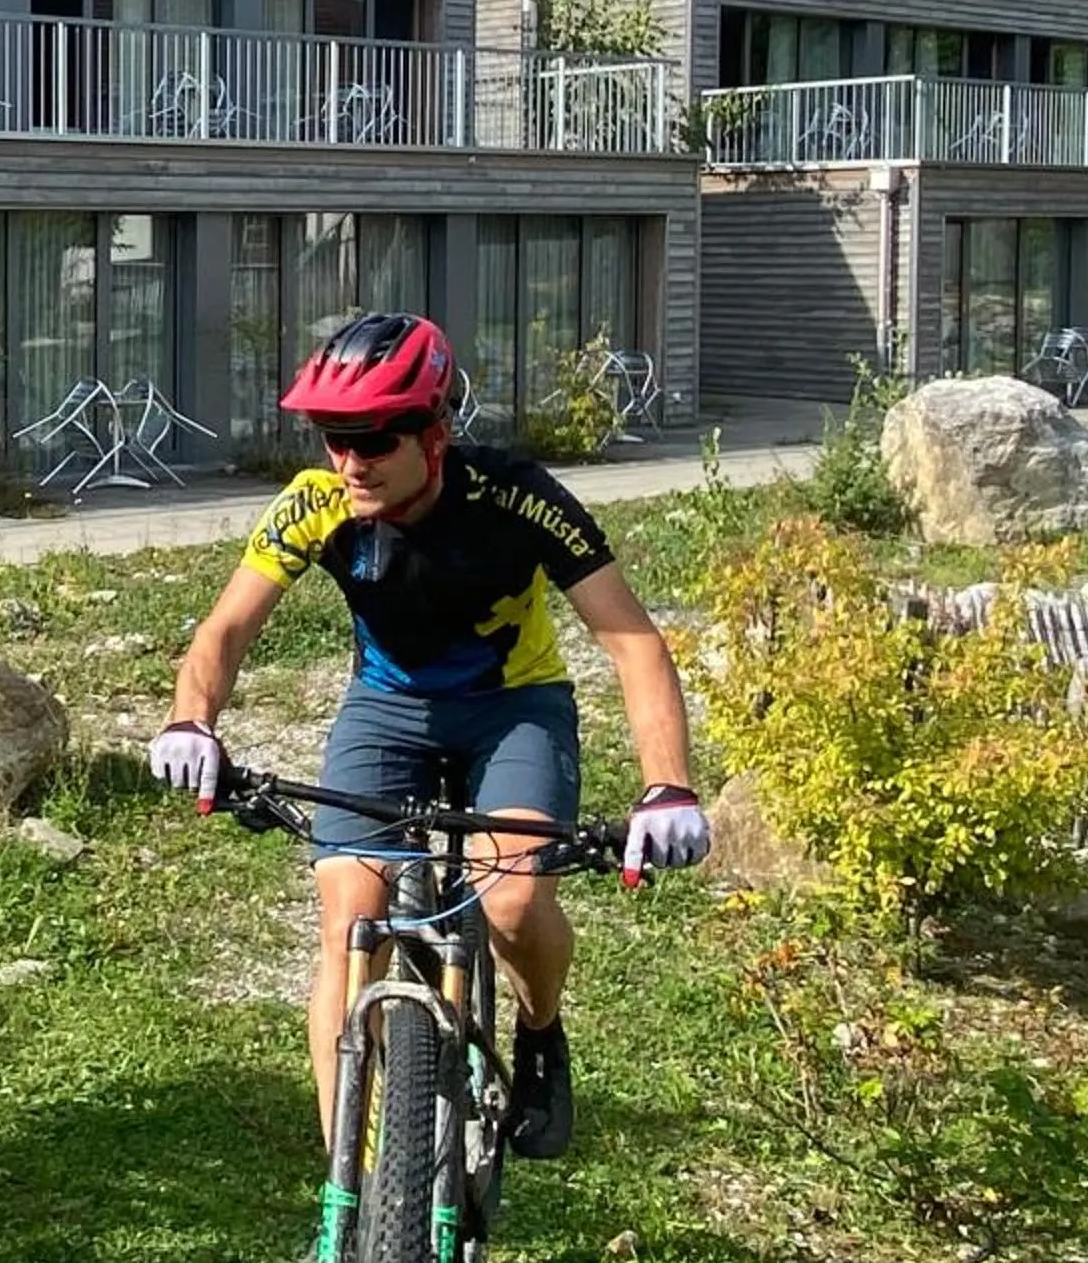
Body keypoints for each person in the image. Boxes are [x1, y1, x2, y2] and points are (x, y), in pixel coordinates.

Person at [148, 311, 711, 1181]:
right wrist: (193, 721)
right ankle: (358, 1197)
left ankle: (541, 1031)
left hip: (511, 704)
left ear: (435, 432)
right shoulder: (319, 505)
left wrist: (667, 786)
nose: (350, 460)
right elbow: (224, 632)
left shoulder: (515, 498)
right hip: (388, 708)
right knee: (349, 926)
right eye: (333, 436)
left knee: (514, 900)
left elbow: (631, 639)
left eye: (373, 437)